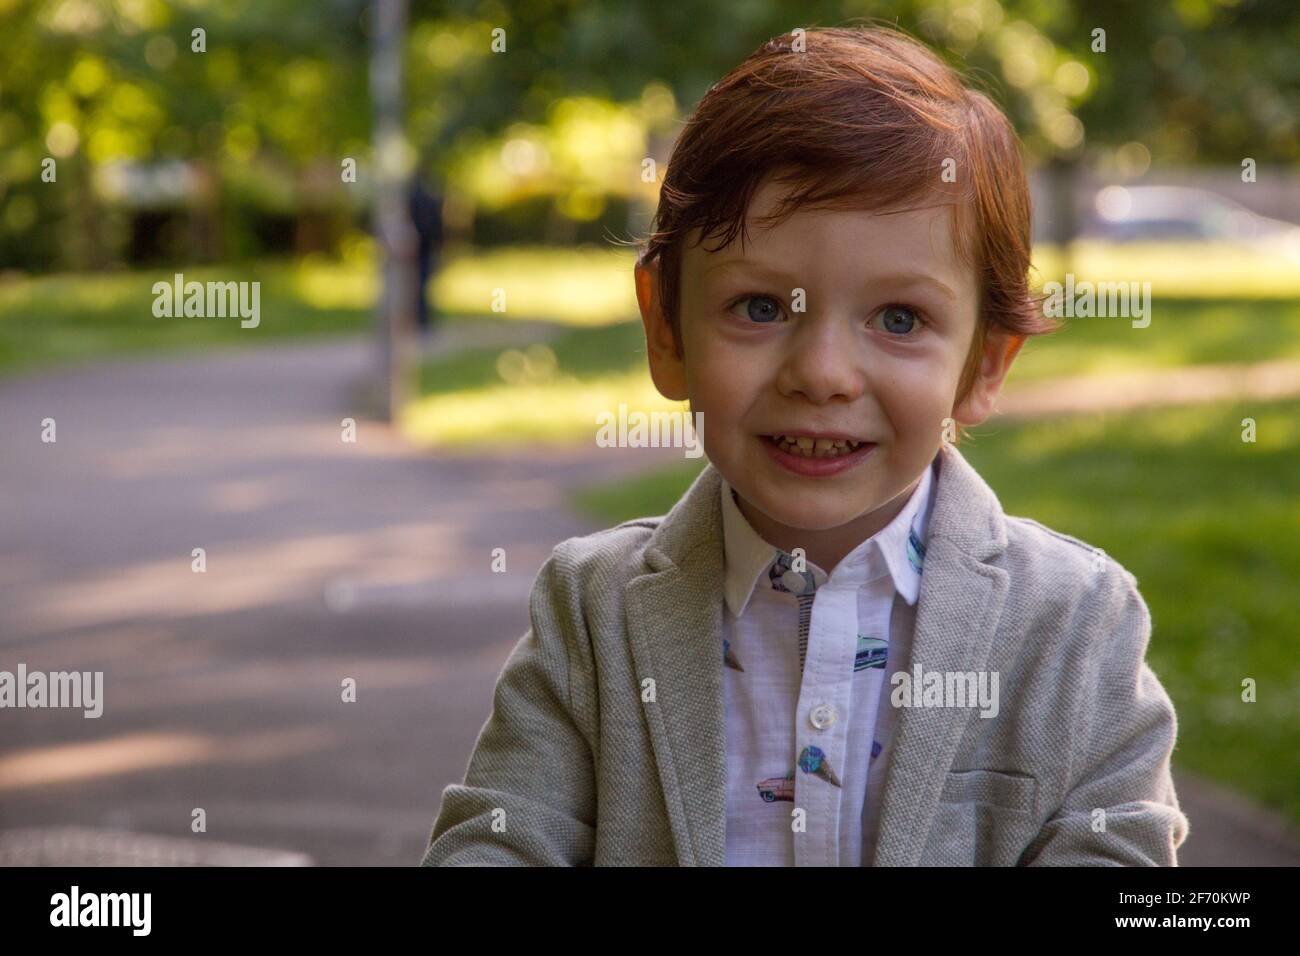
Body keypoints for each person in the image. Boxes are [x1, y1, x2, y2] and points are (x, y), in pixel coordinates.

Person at [421, 26, 1188, 866]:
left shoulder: (1075, 625)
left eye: (899, 319)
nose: (822, 374)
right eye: (759, 308)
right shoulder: (592, 615)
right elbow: (498, 841)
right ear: (665, 329)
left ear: (984, 364)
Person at [408, 176, 444, 337]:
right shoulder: (430, 200)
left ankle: (418, 318)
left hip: (414, 249)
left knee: (417, 285)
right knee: (423, 284)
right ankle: (422, 319)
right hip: (425, 249)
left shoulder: (412, 200)